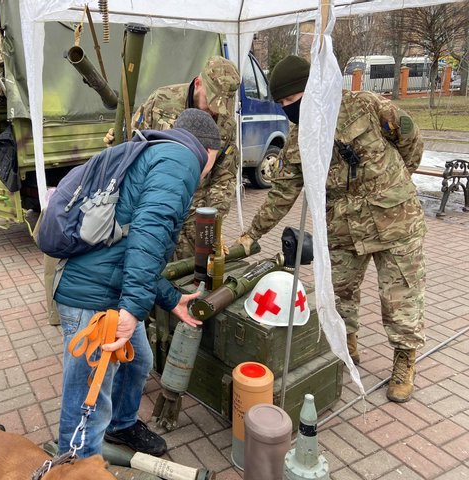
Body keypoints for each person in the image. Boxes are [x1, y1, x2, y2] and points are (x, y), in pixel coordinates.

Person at [237, 55, 426, 403]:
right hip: (343, 227)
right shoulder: (299, 138)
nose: (287, 109)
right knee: (339, 293)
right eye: (281, 103)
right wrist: (253, 233)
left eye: (291, 99)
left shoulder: (365, 105)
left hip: (395, 220)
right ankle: (346, 344)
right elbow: (281, 193)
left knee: (400, 296)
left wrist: (395, 185)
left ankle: (404, 359)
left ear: (311, 89)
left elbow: (410, 140)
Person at [55, 109, 221, 457]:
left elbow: (133, 247)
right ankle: (75, 464)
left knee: (138, 361)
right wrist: (132, 309)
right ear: (209, 150)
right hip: (91, 295)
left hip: (108, 285)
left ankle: (121, 425)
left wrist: (171, 299)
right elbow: (149, 235)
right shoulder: (182, 160)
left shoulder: (160, 152)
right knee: (89, 395)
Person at [105, 55, 241, 259]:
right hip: (154, 205)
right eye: (211, 101)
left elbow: (224, 178)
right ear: (198, 83)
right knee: (146, 261)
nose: (215, 110)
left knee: (188, 271)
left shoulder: (226, 123)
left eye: (222, 104)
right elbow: (133, 145)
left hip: (194, 217)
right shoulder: (161, 101)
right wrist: (116, 143)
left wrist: (213, 222)